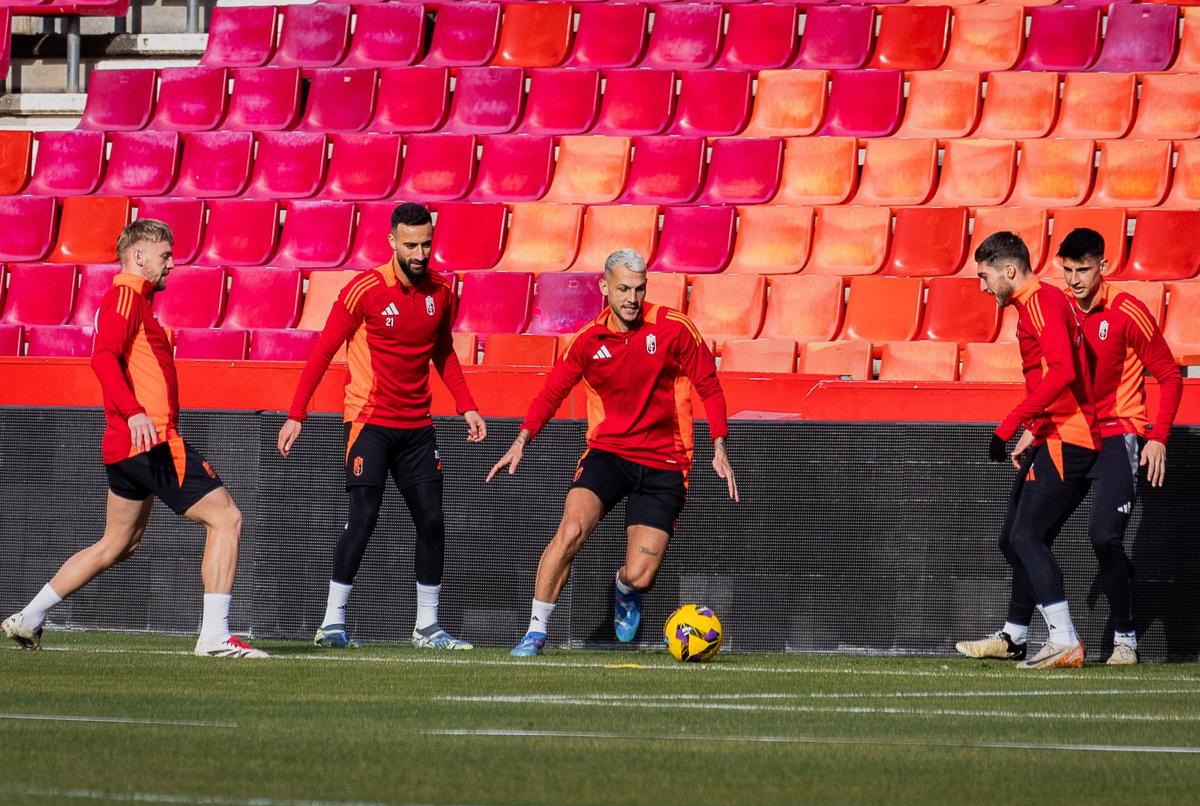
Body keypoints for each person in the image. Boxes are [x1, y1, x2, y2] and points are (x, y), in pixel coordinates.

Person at [2, 219, 265, 658]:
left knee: (117, 544)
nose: (172, 264)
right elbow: (102, 359)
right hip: (152, 438)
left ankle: (29, 616)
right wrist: (137, 412)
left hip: (125, 444)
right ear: (139, 256)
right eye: (165, 255)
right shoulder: (125, 296)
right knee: (227, 519)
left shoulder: (133, 302)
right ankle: (215, 636)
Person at [486, 248, 739, 657]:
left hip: (664, 462)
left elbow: (708, 384)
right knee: (570, 531)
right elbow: (552, 392)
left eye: (639, 289)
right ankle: (535, 630)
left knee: (640, 577)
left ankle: (624, 589)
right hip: (608, 454)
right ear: (605, 287)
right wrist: (521, 440)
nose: (632, 298)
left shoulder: (674, 328)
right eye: (623, 288)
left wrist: (719, 444)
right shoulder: (588, 341)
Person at [279, 202, 485, 651]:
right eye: (410, 244)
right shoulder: (365, 290)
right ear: (391, 241)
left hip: (418, 428)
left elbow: (444, 352)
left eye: (426, 244)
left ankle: (427, 627)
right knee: (364, 519)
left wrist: (466, 406)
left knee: (432, 521)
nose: (419, 253)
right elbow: (323, 350)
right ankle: (331, 622)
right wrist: (297, 412)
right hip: (369, 424)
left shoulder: (442, 293)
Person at [1006, 228, 1181, 665]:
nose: (1076, 279)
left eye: (1084, 269)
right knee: (1028, 533)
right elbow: (1054, 375)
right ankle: (1017, 634)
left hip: (1117, 435)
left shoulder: (1127, 311)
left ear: (1104, 266)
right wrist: (1036, 425)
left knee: (1104, 537)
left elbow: (1170, 375)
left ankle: (1126, 640)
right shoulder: (1060, 308)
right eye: (1067, 270)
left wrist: (1158, 436)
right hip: (1069, 434)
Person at [956, 231, 1099, 669]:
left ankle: (1065, 639)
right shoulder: (1039, 304)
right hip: (1052, 433)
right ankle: (1015, 635)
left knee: (1025, 536)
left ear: (1009, 271)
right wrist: (1034, 432)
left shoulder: (1040, 303)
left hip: (1069, 437)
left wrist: (1011, 424)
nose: (982, 286)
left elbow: (1063, 372)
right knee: (1012, 538)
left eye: (985, 276)